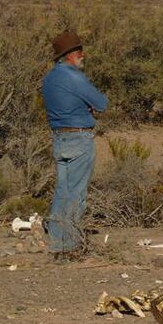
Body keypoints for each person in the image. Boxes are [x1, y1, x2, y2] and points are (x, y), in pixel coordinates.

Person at [41, 31, 108, 262]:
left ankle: (57, 242)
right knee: (77, 194)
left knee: (62, 191)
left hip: (59, 139)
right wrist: (87, 107)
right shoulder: (74, 77)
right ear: (70, 55)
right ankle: (70, 246)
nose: (83, 55)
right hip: (79, 139)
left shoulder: (49, 79)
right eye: (79, 51)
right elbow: (101, 103)